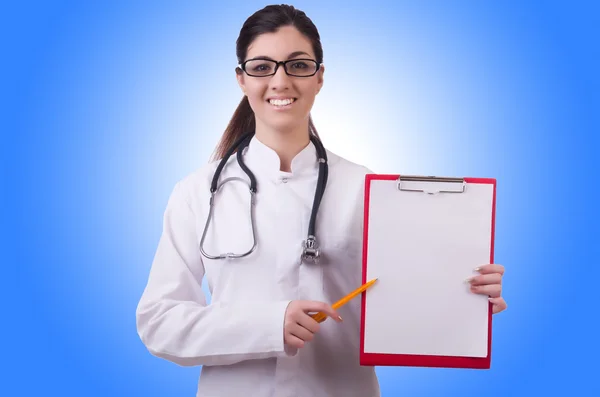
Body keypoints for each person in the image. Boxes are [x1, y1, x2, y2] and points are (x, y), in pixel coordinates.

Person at [135, 4, 507, 396]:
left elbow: (402, 302)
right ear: (242, 80)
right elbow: (159, 323)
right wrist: (268, 325)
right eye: (262, 67)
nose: (280, 80)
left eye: (298, 65)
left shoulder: (369, 188)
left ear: (319, 77)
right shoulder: (197, 193)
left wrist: (464, 298)